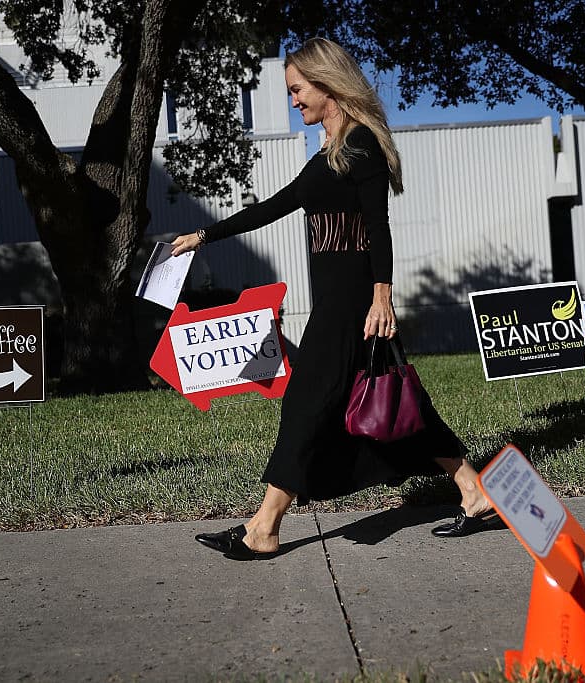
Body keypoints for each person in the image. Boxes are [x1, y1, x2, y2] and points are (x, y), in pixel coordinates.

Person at [171, 38, 500, 560]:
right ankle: (475, 490)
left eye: (298, 90)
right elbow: (273, 207)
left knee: (307, 402)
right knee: (394, 400)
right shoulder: (328, 153)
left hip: (353, 302)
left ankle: (264, 527)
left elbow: (378, 228)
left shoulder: (362, 144)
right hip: (335, 300)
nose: (293, 100)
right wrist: (202, 237)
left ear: (328, 84)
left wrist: (382, 297)